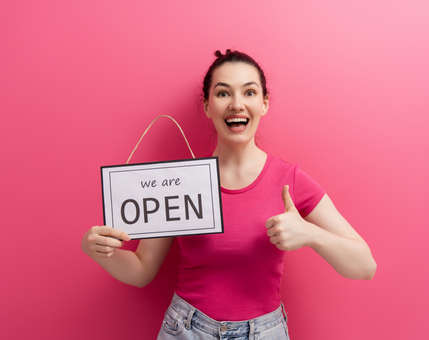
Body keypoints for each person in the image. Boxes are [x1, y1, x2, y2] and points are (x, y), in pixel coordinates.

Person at [81, 49, 377, 339]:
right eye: (223, 93)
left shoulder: (291, 180)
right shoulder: (181, 180)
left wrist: (310, 234)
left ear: (264, 103)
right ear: (208, 106)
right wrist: (100, 251)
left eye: (249, 92)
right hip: (186, 330)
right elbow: (141, 270)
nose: (237, 104)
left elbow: (365, 266)